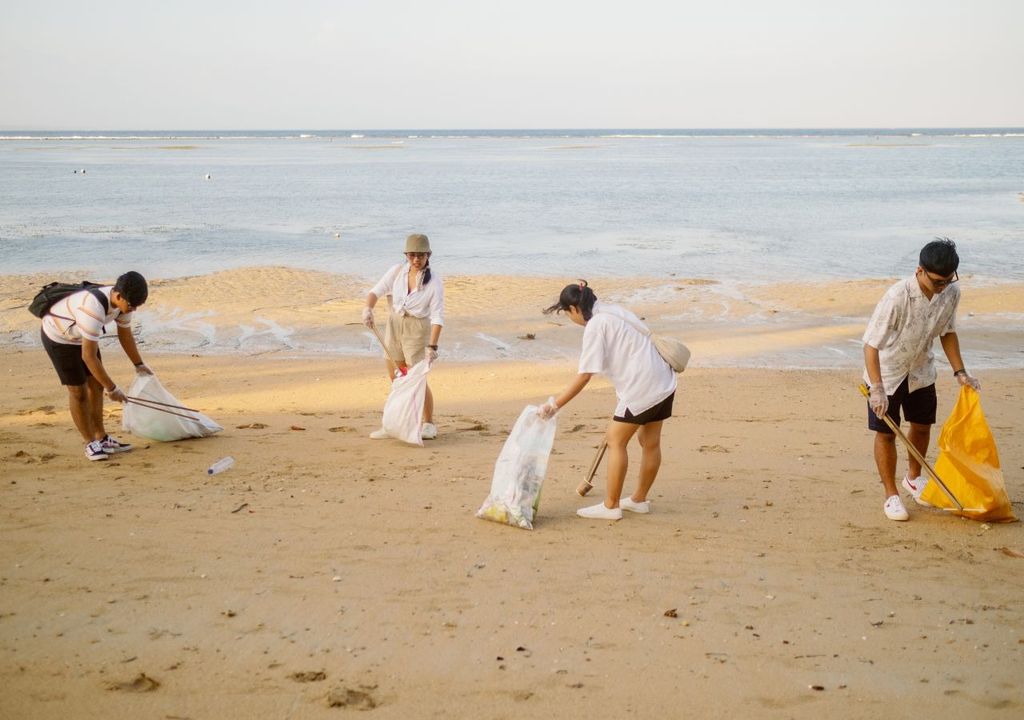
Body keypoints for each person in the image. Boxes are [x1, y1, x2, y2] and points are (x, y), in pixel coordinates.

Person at [863, 238, 981, 521]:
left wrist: (960, 373)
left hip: (921, 371)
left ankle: (914, 478)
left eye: (947, 281)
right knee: (887, 433)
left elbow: (948, 331)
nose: (943, 287)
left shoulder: (951, 292)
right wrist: (877, 389)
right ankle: (891, 495)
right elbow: (870, 345)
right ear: (920, 271)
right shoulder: (896, 298)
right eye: (937, 282)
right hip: (887, 373)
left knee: (922, 426)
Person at [538, 280, 677, 520]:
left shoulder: (596, 325)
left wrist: (554, 405)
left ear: (573, 309)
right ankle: (638, 500)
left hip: (642, 386)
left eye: (568, 314)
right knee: (649, 441)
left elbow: (584, 376)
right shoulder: (612, 310)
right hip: (663, 378)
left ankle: (611, 506)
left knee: (615, 440)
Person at [40, 271, 153, 461]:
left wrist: (139, 364)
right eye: (132, 305)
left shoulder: (122, 305)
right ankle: (90, 442)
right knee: (79, 392)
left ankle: (101, 437)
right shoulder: (93, 308)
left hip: (82, 337)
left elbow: (125, 335)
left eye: (137, 306)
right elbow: (88, 357)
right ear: (118, 296)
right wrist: (113, 388)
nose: (133, 310)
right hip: (59, 337)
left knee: (97, 386)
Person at [362, 233, 445, 440]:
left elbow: (437, 317)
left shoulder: (434, 282)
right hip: (394, 324)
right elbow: (376, 291)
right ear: (406, 255)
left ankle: (428, 424)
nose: (416, 259)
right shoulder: (397, 271)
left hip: (417, 330)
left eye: (421, 255)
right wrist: (368, 309)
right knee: (397, 377)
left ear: (429, 255)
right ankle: (396, 423)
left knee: (416, 379)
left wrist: (432, 347)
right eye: (412, 255)